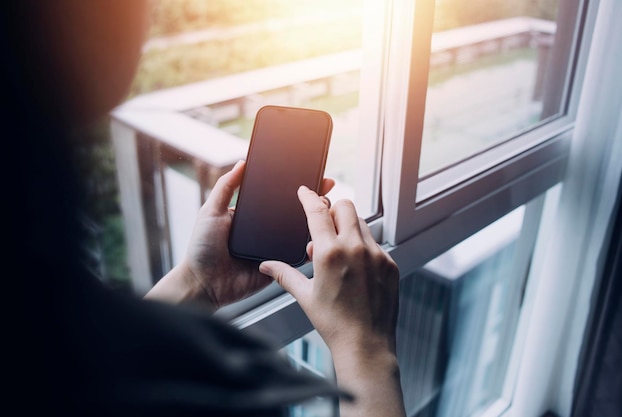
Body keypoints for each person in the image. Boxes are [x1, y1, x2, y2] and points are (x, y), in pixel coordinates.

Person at [3, 1, 406, 416]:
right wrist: (369, 353)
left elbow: (81, 361)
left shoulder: (32, 324)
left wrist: (198, 281)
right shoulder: (220, 392)